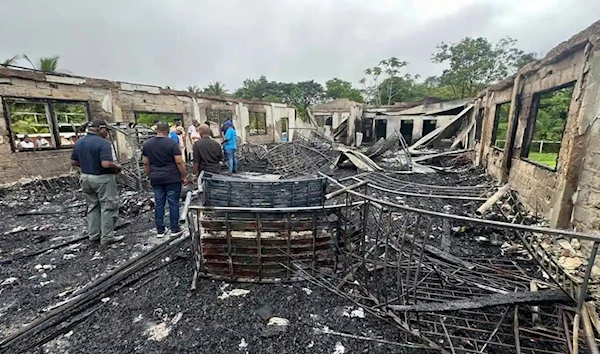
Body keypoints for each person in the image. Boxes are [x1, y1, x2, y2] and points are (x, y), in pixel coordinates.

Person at [70, 119, 123, 246]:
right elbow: (105, 164)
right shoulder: (103, 143)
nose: (106, 133)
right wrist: (117, 167)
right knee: (108, 206)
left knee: (93, 206)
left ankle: (94, 235)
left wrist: (87, 165)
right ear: (100, 129)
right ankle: (107, 237)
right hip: (102, 178)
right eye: (106, 130)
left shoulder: (80, 142)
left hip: (86, 177)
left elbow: (73, 162)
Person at [142, 122, 187, 238]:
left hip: (156, 178)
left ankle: (160, 230)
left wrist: (150, 175)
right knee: (173, 202)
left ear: (157, 130)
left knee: (159, 203)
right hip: (172, 178)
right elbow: (179, 161)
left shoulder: (147, 144)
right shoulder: (172, 143)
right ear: (168, 131)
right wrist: (183, 176)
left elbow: (145, 163)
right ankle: (174, 229)